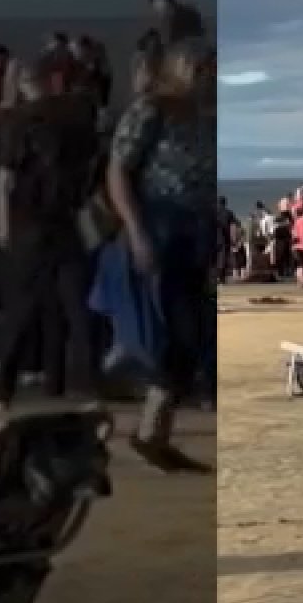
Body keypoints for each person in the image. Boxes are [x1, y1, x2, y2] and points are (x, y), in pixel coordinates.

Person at [104, 37, 212, 473]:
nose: (211, 77)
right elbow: (118, 171)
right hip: (159, 224)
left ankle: (154, 432)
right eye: (204, 68)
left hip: (194, 229)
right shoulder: (153, 109)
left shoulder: (206, 117)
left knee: (190, 332)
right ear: (183, 68)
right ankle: (148, 429)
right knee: (169, 329)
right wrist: (136, 231)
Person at [0, 52, 103, 410]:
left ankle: (1, 384)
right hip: (65, 216)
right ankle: (82, 381)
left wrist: (0, 222)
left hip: (29, 219)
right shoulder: (81, 118)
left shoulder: (20, 119)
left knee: (23, 301)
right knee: (76, 301)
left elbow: (6, 177)